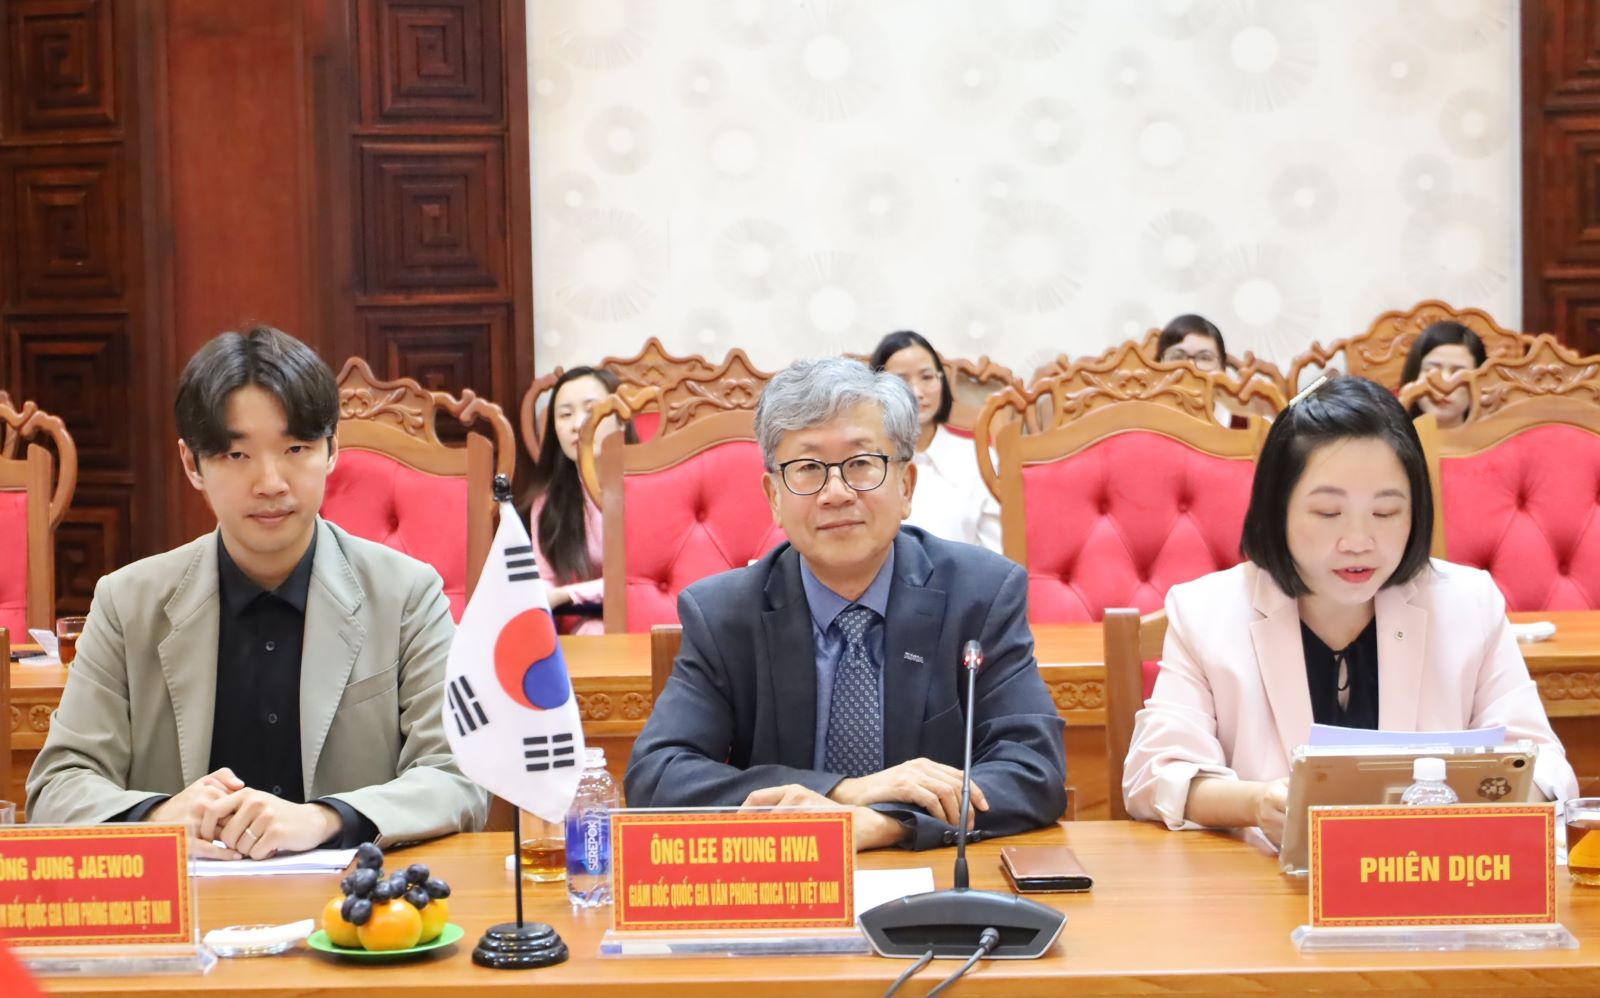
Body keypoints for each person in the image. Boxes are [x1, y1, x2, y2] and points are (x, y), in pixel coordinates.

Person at [27, 325, 487, 857]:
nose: (271, 482)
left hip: (352, 900)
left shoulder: (407, 595)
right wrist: (160, 816)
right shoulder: (127, 603)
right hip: (191, 899)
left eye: (296, 448)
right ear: (191, 464)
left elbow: (458, 778)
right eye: (236, 455)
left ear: (331, 451)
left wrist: (324, 818)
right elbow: (56, 786)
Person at [625, 357, 1066, 851]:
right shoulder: (724, 614)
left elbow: (1033, 771)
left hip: (933, 880)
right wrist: (843, 793)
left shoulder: (980, 595)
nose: (835, 493)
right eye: (808, 468)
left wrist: (885, 822)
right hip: (789, 876)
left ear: (906, 486)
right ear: (774, 498)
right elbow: (657, 778)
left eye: (860, 464)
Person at [1122, 376, 1577, 844]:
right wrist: (1256, 803)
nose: (1359, 542)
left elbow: (1544, 767)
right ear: (1277, 509)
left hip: (1432, 870)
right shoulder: (1206, 612)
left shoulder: (1469, 603)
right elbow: (1156, 775)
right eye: (1328, 513)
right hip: (1271, 880)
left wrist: (1484, 797)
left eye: (1385, 513)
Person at [869, 331, 1000, 552]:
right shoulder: (866, 462)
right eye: (901, 381)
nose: (917, 392)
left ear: (942, 381)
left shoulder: (980, 459)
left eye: (927, 377)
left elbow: (998, 553)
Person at [529, 366, 636, 635]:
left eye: (591, 411)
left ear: (622, 419)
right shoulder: (548, 502)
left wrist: (569, 594)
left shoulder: (653, 486)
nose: (578, 425)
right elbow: (546, 584)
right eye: (565, 415)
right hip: (584, 625)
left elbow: (642, 584)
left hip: (647, 619)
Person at [1155, 313, 1249, 429]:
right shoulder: (1141, 420)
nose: (1190, 367)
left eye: (1204, 358)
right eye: (1177, 356)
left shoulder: (1247, 426)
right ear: (1158, 365)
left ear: (1223, 368)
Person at [1399, 320, 1488, 430]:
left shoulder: (1500, 438)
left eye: (1458, 373)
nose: (1444, 382)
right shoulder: (1386, 437)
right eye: (1431, 370)